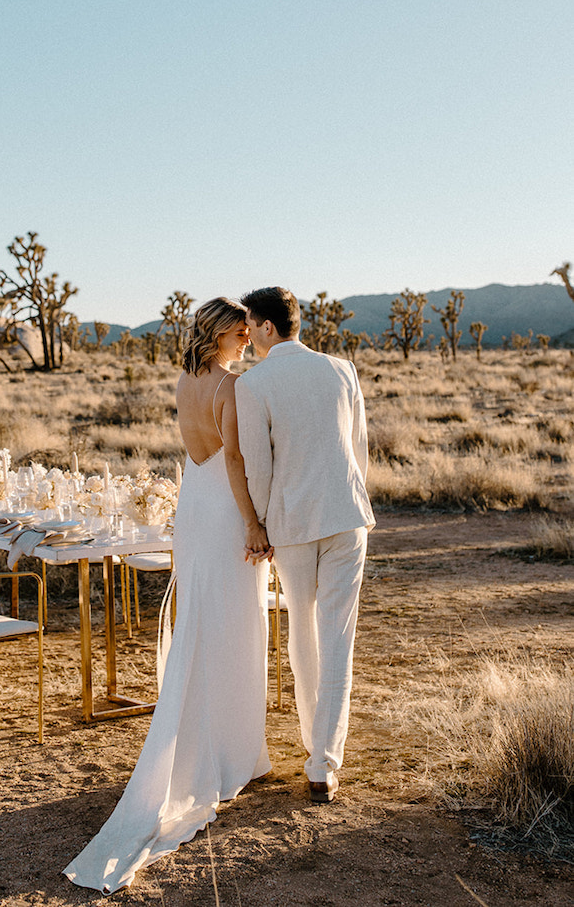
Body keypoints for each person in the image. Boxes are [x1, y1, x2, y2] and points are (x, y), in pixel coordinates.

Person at [64, 297, 272, 893]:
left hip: (194, 508)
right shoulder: (230, 387)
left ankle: (229, 749)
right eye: (240, 333)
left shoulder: (185, 380)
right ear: (226, 334)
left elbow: (199, 454)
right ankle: (233, 753)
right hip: (228, 510)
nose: (245, 342)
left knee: (205, 622)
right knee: (236, 624)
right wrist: (255, 523)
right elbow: (233, 457)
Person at [235, 286, 374, 804]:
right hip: (346, 516)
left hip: (292, 524)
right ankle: (324, 763)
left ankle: (316, 748)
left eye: (250, 324)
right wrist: (350, 498)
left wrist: (262, 526)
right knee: (337, 637)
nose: (247, 335)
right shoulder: (342, 369)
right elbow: (358, 448)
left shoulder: (255, 384)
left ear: (269, 327)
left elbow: (258, 465)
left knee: (303, 634)